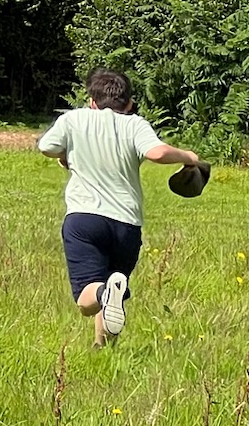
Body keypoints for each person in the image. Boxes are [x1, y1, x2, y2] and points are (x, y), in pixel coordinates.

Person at [37, 69, 206, 347]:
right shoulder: (135, 124)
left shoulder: (74, 119)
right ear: (128, 104)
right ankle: (102, 349)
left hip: (84, 220)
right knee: (113, 288)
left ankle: (103, 294)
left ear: (92, 101)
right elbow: (157, 152)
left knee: (88, 300)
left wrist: (67, 155)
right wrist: (188, 156)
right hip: (126, 225)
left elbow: (46, 147)